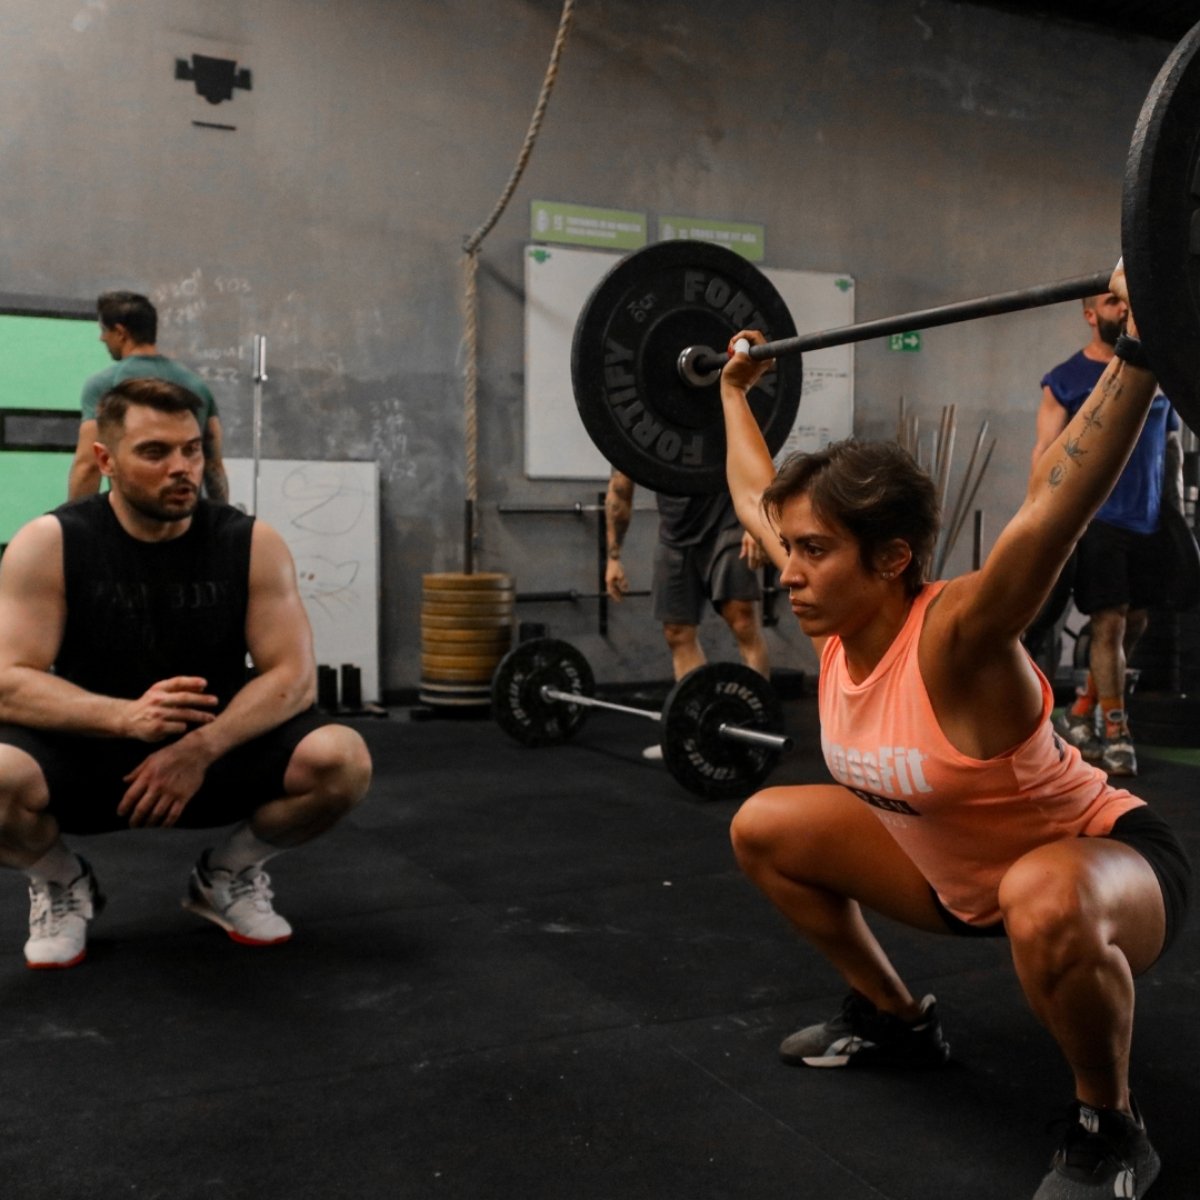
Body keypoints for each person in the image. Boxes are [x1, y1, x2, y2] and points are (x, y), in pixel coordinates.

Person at [717, 262, 1189, 1199]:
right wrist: (735, 393)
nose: (789, 573)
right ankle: (896, 1019)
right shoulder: (841, 612)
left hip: (1098, 865)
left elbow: (1059, 501)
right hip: (954, 873)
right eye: (792, 552)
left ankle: (1109, 1124)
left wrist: (1143, 342)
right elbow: (751, 495)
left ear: (892, 558)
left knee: (1041, 896)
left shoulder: (962, 635)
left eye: (812, 552)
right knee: (762, 826)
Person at [0, 377, 373, 970]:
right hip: (92, 749)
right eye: (155, 452)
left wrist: (200, 747)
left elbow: (295, 677)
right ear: (106, 460)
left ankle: (228, 874)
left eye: (191, 449)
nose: (182, 468)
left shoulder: (251, 542)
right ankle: (62, 881)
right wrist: (124, 717)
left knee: (342, 760)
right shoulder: (50, 542)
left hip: (214, 752)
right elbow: (8, 681)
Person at [1031, 290, 1182, 777]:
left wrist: (1175, 516)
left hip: (1150, 519)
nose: (1122, 309)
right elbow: (1044, 456)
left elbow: (1172, 451)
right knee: (1109, 624)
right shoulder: (1065, 379)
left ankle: (1081, 711)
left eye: (1127, 302)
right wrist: (1041, 524)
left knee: (1136, 623)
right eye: (1111, 301)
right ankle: (1117, 729)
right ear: (1090, 314)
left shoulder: (1158, 376)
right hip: (1097, 519)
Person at [69, 290, 229, 503]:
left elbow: (88, 465)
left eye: (104, 331)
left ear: (120, 332)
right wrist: (221, 524)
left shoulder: (104, 384)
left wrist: (74, 528)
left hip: (131, 523)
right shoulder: (196, 384)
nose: (102, 338)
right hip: (185, 523)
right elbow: (214, 465)